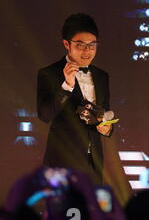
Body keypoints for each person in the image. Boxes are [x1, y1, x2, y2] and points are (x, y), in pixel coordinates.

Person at [37, 13, 113, 184]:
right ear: (67, 44)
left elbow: (105, 112)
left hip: (93, 160)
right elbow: (45, 115)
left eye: (92, 45)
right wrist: (67, 86)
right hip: (61, 160)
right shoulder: (49, 73)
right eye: (80, 45)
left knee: (91, 209)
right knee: (63, 209)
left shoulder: (102, 76)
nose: (87, 51)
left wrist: (107, 129)